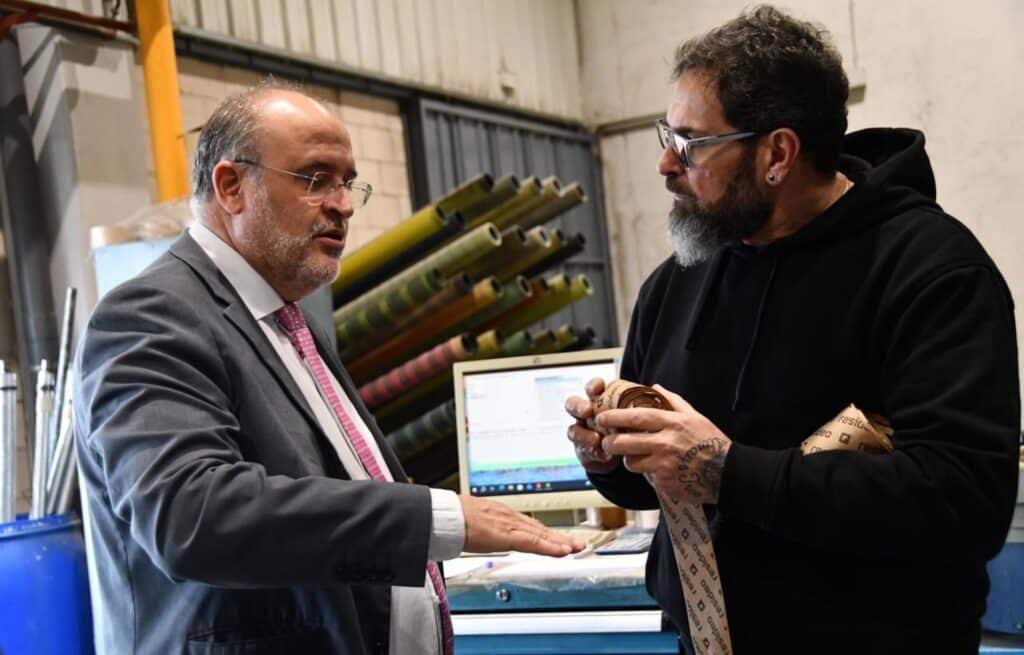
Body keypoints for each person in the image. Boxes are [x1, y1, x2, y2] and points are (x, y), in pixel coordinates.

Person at [566, 6, 1019, 654]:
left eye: (690, 143)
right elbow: (665, 478)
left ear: (777, 154)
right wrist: (611, 457)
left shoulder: (932, 272)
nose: (666, 164)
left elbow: (963, 502)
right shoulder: (677, 284)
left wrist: (727, 471)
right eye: (667, 134)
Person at [74, 83, 582, 655]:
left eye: (347, 182)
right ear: (232, 186)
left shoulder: (285, 320)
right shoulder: (153, 313)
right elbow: (191, 515)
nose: (343, 204)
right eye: (315, 179)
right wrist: (437, 518)